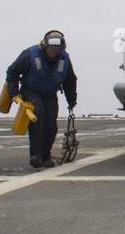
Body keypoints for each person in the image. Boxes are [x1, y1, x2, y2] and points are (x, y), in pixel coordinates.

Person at [6, 30, 77, 168]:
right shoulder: (30, 54)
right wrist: (13, 93)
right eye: (51, 49)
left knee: (51, 125)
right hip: (31, 91)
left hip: (50, 94)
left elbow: (70, 80)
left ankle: (46, 156)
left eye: (57, 50)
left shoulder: (64, 59)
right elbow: (12, 72)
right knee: (38, 116)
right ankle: (36, 155)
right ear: (45, 46)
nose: (53, 52)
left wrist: (71, 99)